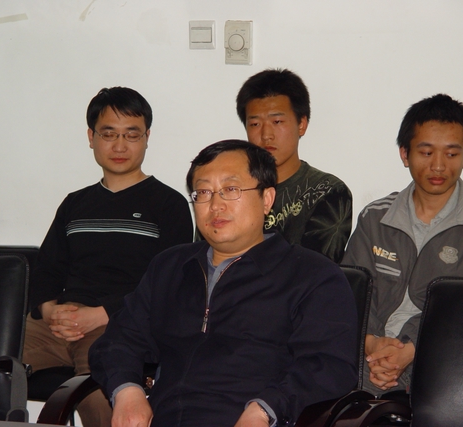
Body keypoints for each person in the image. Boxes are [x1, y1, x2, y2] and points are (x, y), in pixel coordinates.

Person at [89, 140, 358, 427]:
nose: (215, 205)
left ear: (267, 199)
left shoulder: (312, 275)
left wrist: (265, 410)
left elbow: (329, 366)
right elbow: (118, 340)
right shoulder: (170, 267)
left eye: (231, 190)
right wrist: (127, 391)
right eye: (203, 192)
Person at [23, 87, 193, 427]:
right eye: (109, 134)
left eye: (131, 135)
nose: (119, 146)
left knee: (102, 388)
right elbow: (46, 269)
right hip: (58, 323)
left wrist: (100, 315)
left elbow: (167, 283)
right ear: (91, 137)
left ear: (147, 138)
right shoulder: (75, 203)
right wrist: (50, 309)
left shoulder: (168, 204)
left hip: (119, 323)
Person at [342, 93, 463, 396]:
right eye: (426, 152)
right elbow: (349, 293)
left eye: (451, 154)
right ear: (405, 154)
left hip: (442, 361)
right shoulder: (375, 217)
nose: (438, 166)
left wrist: (408, 349)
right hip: (367, 353)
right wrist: (371, 344)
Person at [235, 68, 352, 263]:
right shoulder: (227, 189)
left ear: (301, 124)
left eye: (277, 121)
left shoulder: (328, 191)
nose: (266, 135)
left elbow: (315, 270)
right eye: (255, 124)